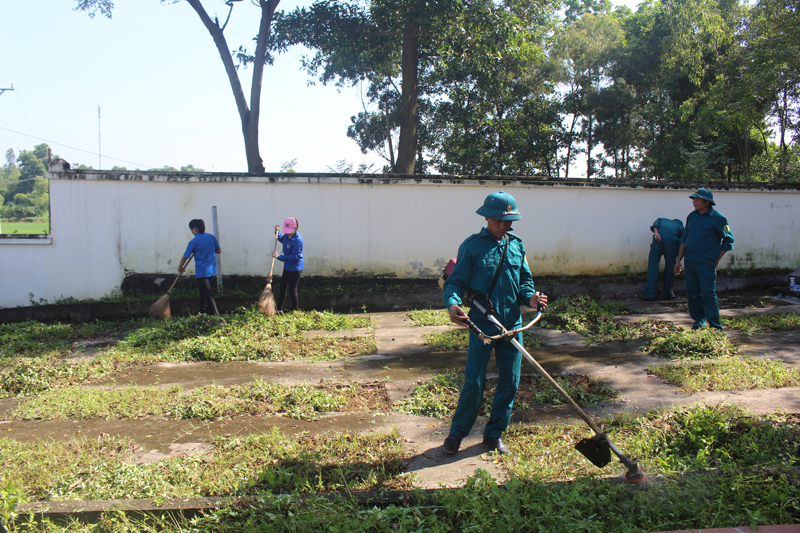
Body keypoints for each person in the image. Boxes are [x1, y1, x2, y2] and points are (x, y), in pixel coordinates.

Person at [442, 191, 548, 455]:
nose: (505, 225)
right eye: (500, 220)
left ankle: (494, 434)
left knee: (510, 381)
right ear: (487, 217)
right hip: (482, 324)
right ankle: (457, 433)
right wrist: (453, 304)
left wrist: (532, 299)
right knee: (475, 381)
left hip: (512, 325)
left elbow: (525, 281)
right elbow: (455, 282)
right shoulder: (472, 246)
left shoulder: (517, 245)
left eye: (509, 221)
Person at [674, 188, 734, 330]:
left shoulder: (718, 218)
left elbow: (728, 240)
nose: (694, 202)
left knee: (708, 293)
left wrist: (717, 258)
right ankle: (699, 321)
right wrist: (678, 261)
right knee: (692, 292)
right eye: (693, 199)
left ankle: (714, 325)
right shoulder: (691, 217)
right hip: (690, 261)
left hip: (706, 262)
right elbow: (684, 238)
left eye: (697, 199)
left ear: (707, 202)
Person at [179, 219, 221, 315]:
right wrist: (207, 249)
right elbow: (219, 251)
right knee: (203, 292)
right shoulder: (211, 237)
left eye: (191, 230)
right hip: (211, 271)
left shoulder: (194, 242)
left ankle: (216, 315)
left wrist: (180, 268)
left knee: (207, 293)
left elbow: (184, 257)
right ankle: (202, 311)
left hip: (202, 272)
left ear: (194, 229)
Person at [643, 218, 684, 301]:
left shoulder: (662, 220)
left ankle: (649, 294)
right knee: (669, 268)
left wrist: (656, 234)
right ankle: (667, 293)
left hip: (658, 241)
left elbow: (655, 224)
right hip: (672, 244)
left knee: (653, 268)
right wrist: (678, 262)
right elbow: (682, 244)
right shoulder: (680, 228)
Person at [272, 217, 304, 314]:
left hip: (295, 267)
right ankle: (279, 309)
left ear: (296, 228)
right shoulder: (286, 236)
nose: (288, 233)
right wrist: (276, 232)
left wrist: (279, 257)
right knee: (283, 287)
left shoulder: (298, 241)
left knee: (292, 289)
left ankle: (295, 311)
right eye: (287, 231)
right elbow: (282, 239)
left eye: (290, 231)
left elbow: (294, 257)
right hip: (287, 266)